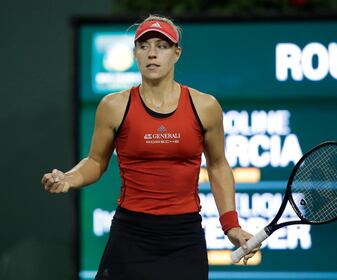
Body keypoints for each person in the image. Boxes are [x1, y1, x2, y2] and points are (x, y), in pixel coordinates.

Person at [41, 15, 258, 280]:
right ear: (135, 53)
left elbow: (218, 165)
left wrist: (231, 226)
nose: (152, 54)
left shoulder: (205, 106)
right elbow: (96, 162)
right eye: (144, 46)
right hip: (131, 235)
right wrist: (68, 178)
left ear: (176, 53)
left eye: (161, 46)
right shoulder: (114, 106)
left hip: (184, 238)